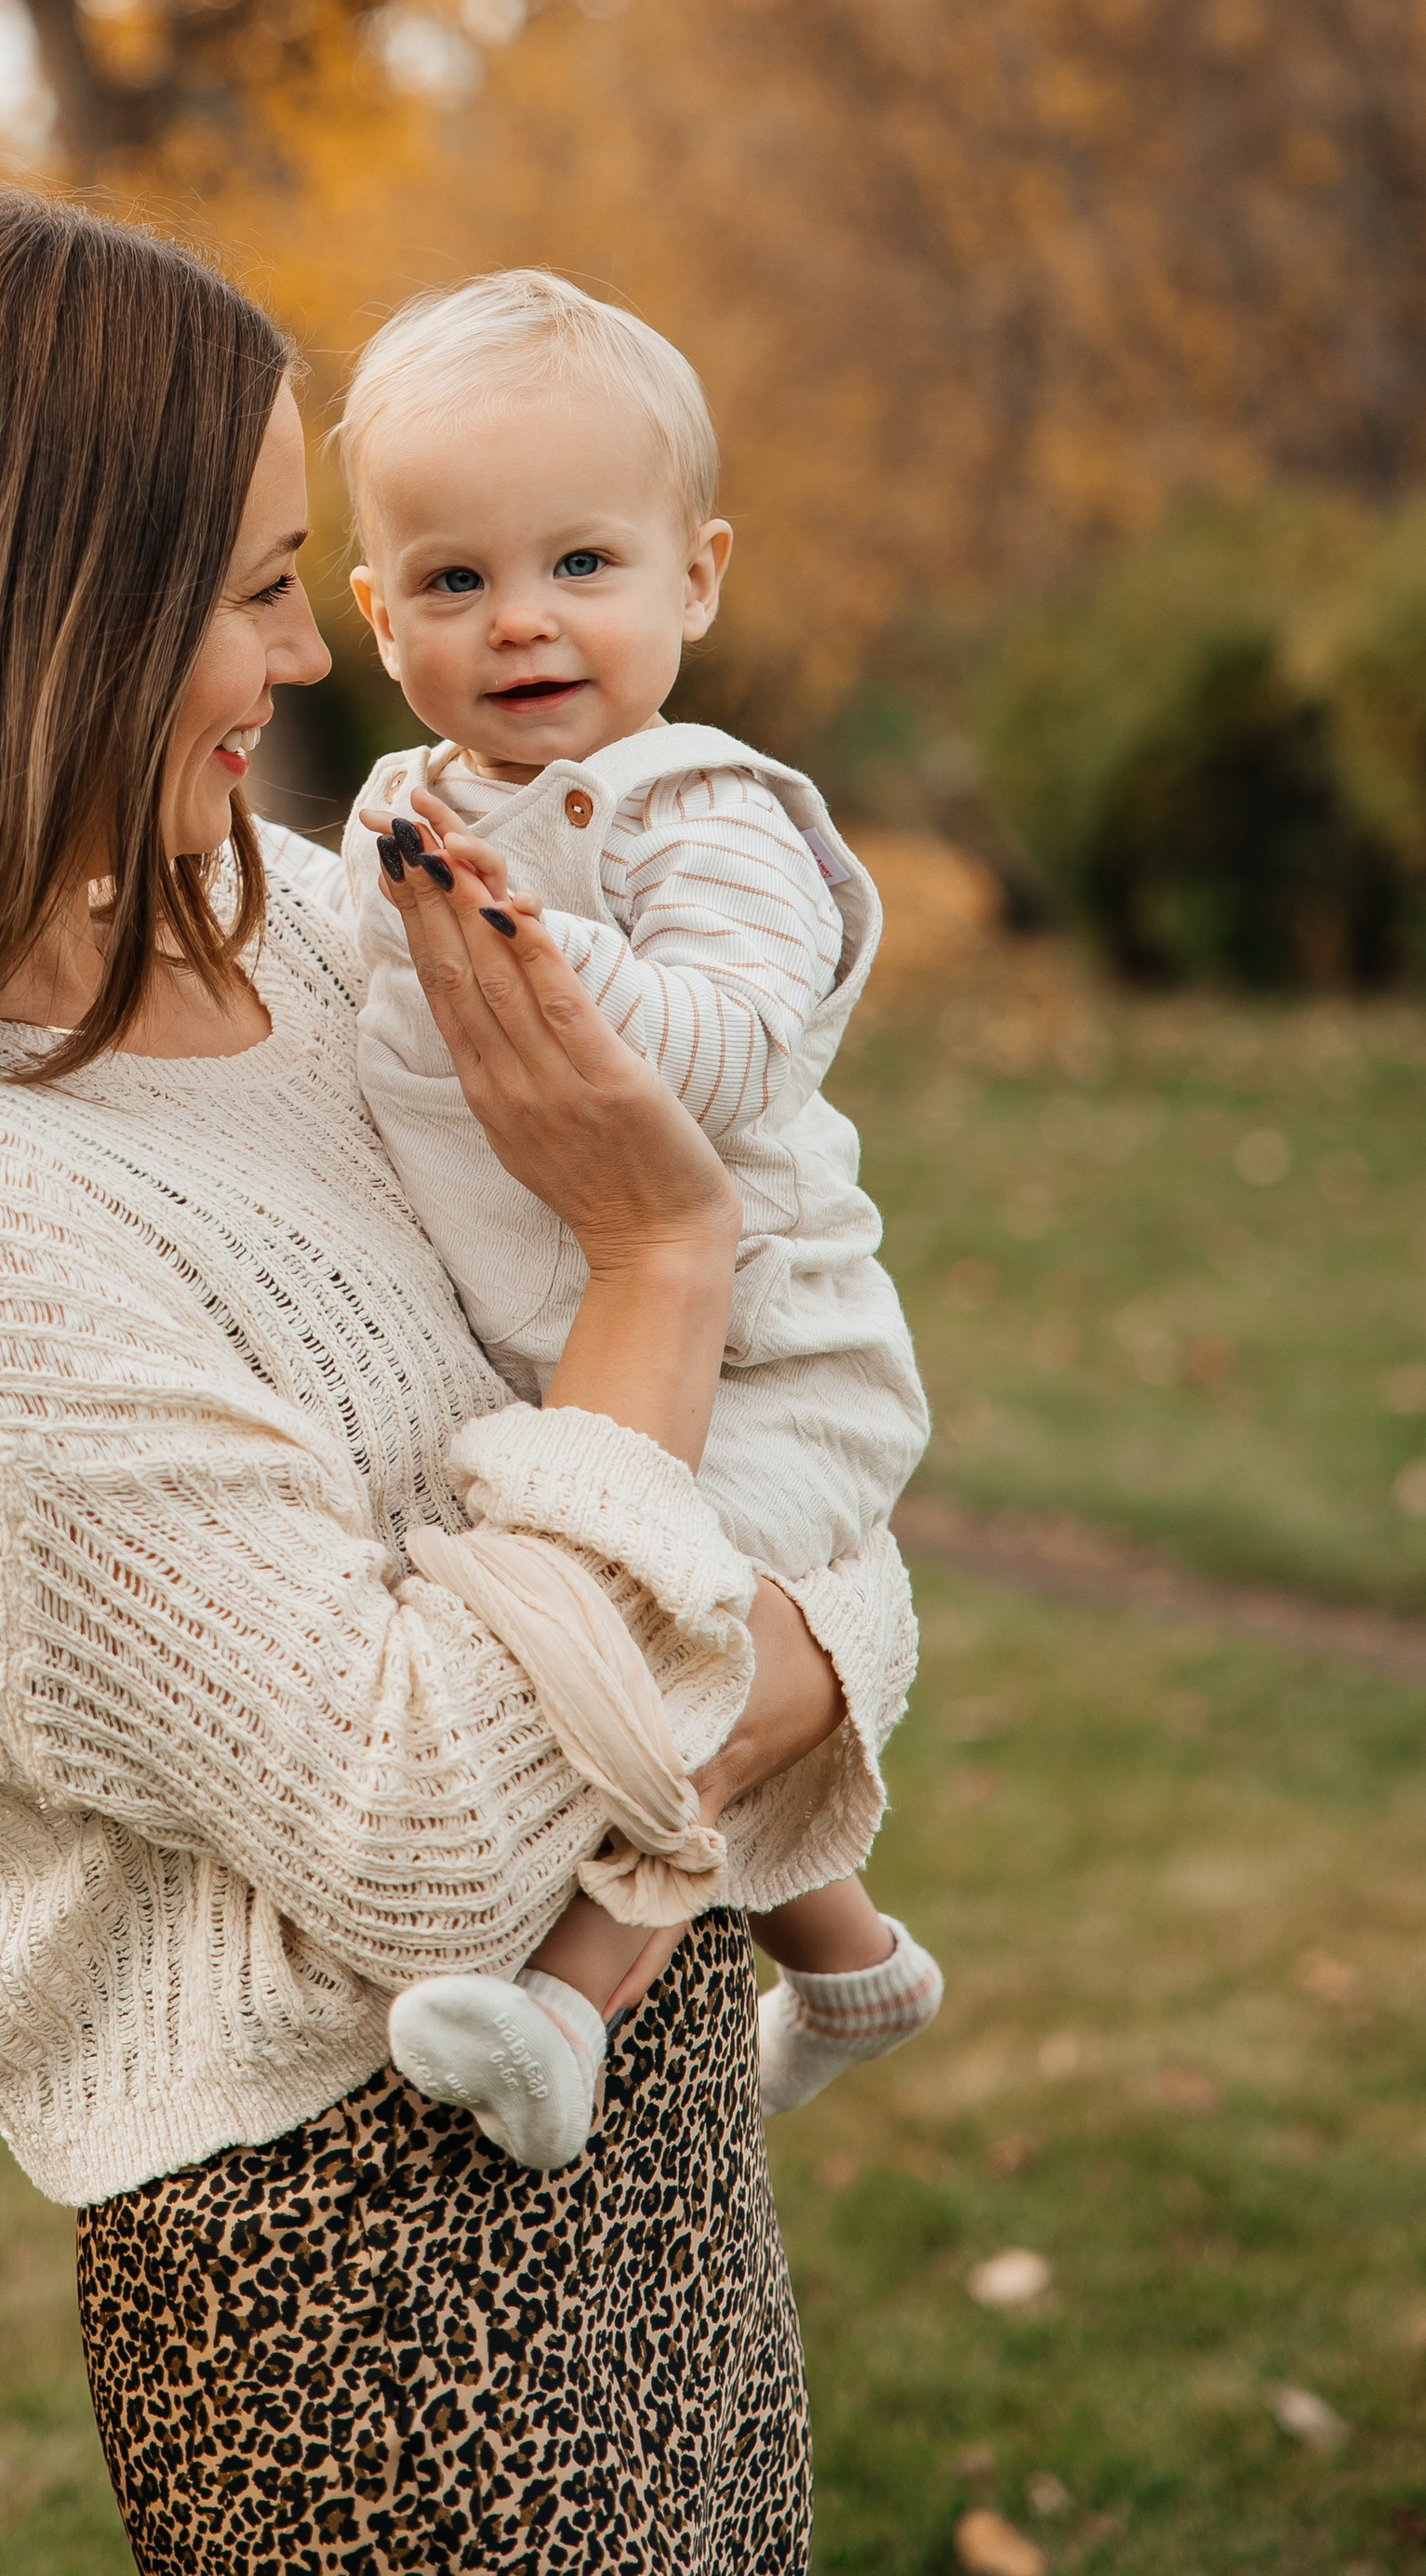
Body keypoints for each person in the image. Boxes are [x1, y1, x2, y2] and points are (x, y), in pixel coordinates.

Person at [0, 185, 918, 2576]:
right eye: (244, 590)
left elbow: (808, 1512)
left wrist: (784, 1617)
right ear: (37, 626)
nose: (306, 664)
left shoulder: (324, 936)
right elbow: (428, 1837)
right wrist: (658, 1258)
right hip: (360, 2301)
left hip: (646, 2152)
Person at [337, 269, 943, 2165]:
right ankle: (849, 1963)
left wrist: (536, 941)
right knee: (655, 1624)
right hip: (589, 1354)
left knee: (659, 1657)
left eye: (580, 564)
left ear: (695, 578)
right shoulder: (400, 818)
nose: (518, 620)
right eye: (451, 581)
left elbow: (740, 1043)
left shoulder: (696, 817)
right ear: (377, 618)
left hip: (773, 1363)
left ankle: (557, 2009)